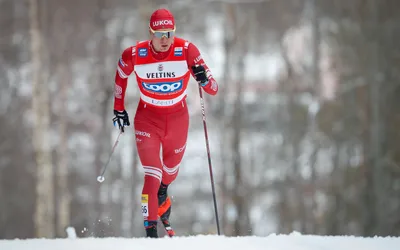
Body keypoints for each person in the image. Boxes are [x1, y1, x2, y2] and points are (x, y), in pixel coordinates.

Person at [112, 8, 218, 238]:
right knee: (152, 173)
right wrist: (118, 108)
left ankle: (163, 191)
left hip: (178, 119)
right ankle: (151, 234)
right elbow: (121, 75)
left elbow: (214, 89)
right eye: (159, 33)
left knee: (169, 172)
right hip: (147, 119)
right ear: (150, 32)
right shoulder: (135, 54)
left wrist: (204, 79)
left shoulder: (187, 50)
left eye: (169, 33)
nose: (164, 39)